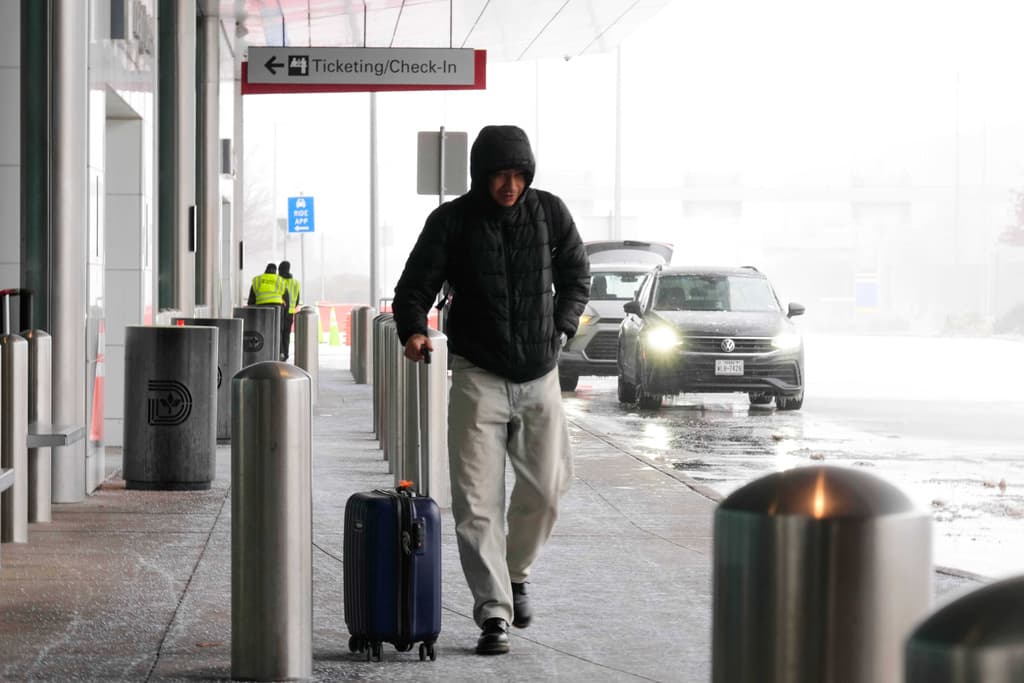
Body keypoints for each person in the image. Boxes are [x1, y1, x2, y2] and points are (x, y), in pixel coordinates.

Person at [392, 124, 590, 655]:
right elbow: (414, 287)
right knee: (476, 501)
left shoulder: (550, 213)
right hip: (477, 374)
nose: (509, 184)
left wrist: (562, 327)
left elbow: (577, 276)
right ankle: (493, 612)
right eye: (500, 174)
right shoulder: (451, 221)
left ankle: (516, 571)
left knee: (547, 490)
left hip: (539, 372)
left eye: (518, 174)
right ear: (481, 176)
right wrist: (412, 330)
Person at [247, 263, 289, 355]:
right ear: (275, 271)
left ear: (265, 269)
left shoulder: (257, 280)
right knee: (278, 329)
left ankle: (263, 351)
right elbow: (286, 298)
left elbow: (251, 300)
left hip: (261, 307)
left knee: (262, 330)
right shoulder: (280, 280)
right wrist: (285, 313)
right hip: (277, 307)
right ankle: (279, 352)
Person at [278, 260, 301, 360]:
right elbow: (297, 298)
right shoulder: (296, 282)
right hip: (290, 312)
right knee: (286, 334)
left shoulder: (279, 281)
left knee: (279, 332)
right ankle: (286, 354)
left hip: (281, 310)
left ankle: (280, 352)